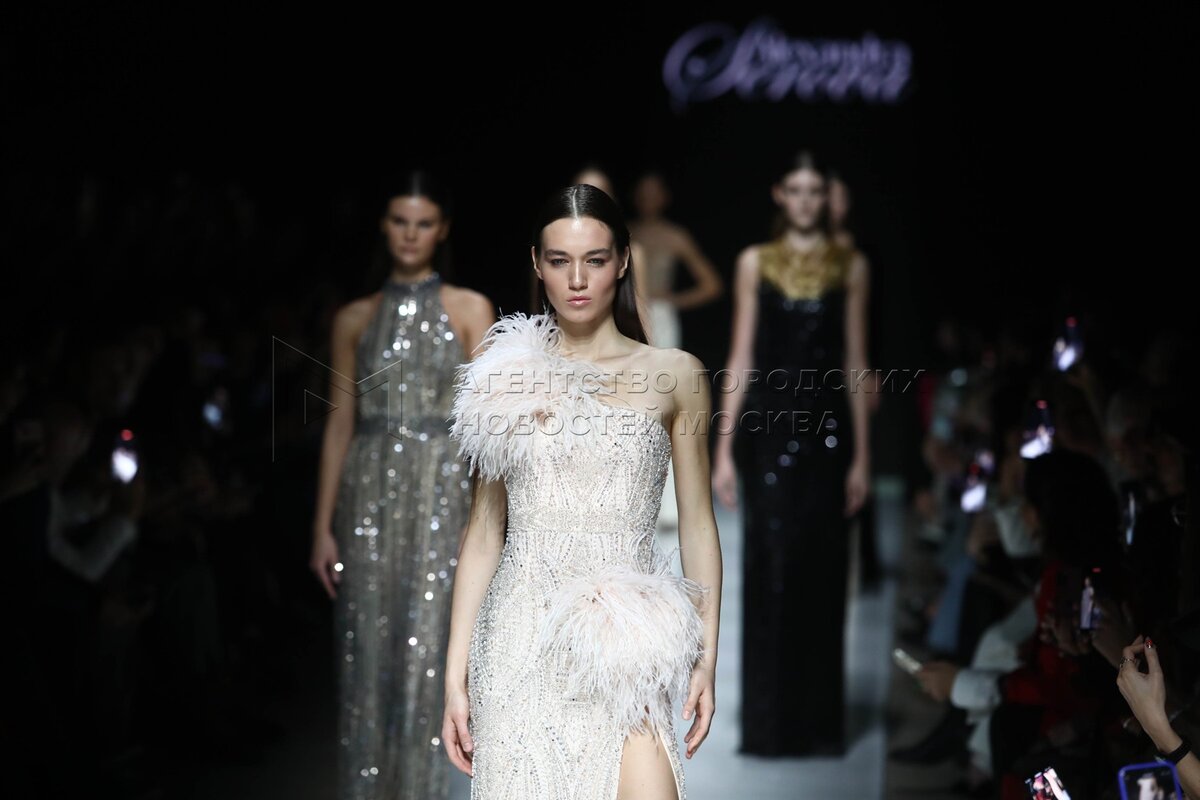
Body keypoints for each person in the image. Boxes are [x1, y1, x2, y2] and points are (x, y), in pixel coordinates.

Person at [441, 183, 723, 799]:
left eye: (594, 260)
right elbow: (484, 533)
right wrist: (455, 674)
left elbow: (699, 524)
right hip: (520, 638)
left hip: (630, 642)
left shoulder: (675, 374)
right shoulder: (504, 377)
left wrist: (707, 655)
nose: (576, 279)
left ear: (622, 261)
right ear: (536, 264)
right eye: (559, 260)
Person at [310, 170, 495, 800]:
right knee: (366, 649)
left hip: (442, 489)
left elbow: (483, 427)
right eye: (399, 221)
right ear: (383, 226)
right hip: (367, 491)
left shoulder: (470, 309)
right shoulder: (353, 318)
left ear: (442, 230)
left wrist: (483, 519)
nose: (410, 234)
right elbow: (340, 422)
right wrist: (322, 527)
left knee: (430, 651)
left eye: (423, 223)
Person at [711, 149, 872, 756]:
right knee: (770, 571)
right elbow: (740, 357)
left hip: (829, 435)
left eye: (815, 191)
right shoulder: (755, 262)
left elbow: (855, 362)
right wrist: (723, 449)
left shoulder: (851, 265)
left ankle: (817, 726)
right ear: (779, 194)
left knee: (821, 572)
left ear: (825, 197)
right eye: (796, 190)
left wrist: (863, 458)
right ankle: (769, 727)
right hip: (768, 433)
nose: (805, 201)